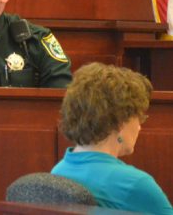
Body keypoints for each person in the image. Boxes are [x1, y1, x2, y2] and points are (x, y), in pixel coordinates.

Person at [51, 62, 173, 213]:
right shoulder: (135, 184)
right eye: (139, 117)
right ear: (121, 122)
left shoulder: (58, 171)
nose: (140, 126)